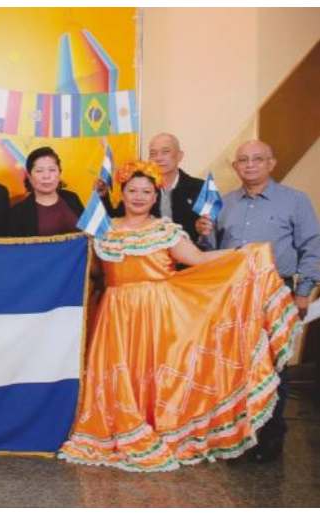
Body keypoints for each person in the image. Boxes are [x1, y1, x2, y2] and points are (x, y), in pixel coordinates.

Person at [59, 160, 301, 472]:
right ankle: (121, 425)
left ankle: (161, 428)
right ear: (122, 192)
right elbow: (92, 273)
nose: (139, 196)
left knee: (157, 375)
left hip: (158, 314)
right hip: (115, 314)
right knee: (122, 375)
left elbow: (199, 259)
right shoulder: (104, 230)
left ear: (155, 194)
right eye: (132, 190)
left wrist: (242, 254)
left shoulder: (165, 230)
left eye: (146, 191)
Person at [196, 139, 320, 462]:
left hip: (276, 291)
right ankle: (240, 437)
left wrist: (304, 292)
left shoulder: (295, 201)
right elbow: (210, 255)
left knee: (274, 365)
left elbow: (312, 247)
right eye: (242, 160)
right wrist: (204, 233)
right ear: (235, 167)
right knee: (237, 365)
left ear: (271, 163)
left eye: (257, 159)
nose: (249, 165)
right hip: (233, 292)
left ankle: (270, 437)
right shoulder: (223, 203)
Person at [97, 133, 204, 242]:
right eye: (153, 154)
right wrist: (104, 197)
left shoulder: (199, 188)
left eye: (165, 152)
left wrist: (200, 229)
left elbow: (211, 229)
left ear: (179, 156)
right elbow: (116, 219)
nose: (158, 158)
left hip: (188, 252)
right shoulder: (141, 188)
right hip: (149, 254)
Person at [8, 146, 84, 237]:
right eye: (39, 171)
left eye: (52, 170)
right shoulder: (18, 213)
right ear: (29, 177)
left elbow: (91, 233)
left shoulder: (72, 198)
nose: (46, 176)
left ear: (59, 173)